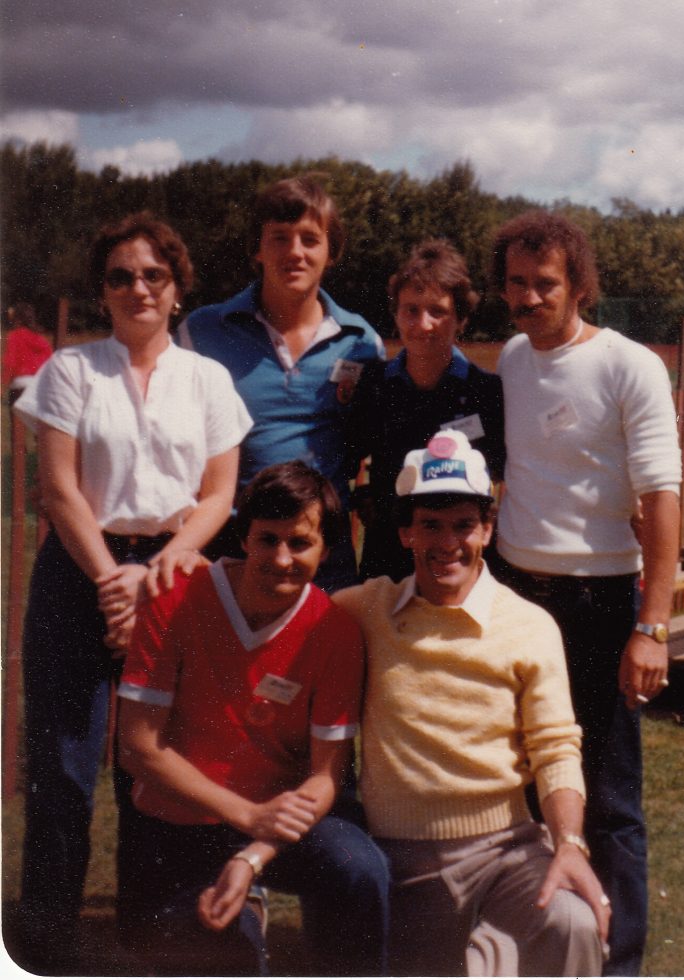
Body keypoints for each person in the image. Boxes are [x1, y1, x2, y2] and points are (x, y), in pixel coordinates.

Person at [11, 213, 251, 973]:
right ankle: (47, 939)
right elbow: (57, 488)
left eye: (154, 275)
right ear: (103, 290)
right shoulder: (70, 372)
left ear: (177, 289)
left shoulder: (209, 379)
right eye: (121, 276)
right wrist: (113, 580)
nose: (138, 288)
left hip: (176, 574)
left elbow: (218, 496)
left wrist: (158, 570)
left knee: (156, 764)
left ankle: (151, 932)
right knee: (64, 768)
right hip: (79, 571)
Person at [332, 430, 608, 976]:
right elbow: (284, 612)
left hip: (509, 849)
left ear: (487, 527)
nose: (447, 542)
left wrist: (570, 842)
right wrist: (217, 573)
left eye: (463, 524)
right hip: (404, 857)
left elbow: (555, 748)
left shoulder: (530, 626)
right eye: (430, 525)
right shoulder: (367, 609)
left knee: (573, 922)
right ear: (405, 531)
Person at [487, 210, 682, 975]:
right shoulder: (510, 359)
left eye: (545, 284)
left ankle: (620, 961)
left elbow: (661, 498)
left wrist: (653, 626)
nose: (529, 298)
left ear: (579, 286)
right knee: (531, 787)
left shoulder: (630, 365)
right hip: (514, 596)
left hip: (602, 605)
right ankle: (543, 946)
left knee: (610, 799)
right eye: (516, 284)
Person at [116, 461, 389, 976]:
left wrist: (253, 852)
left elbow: (326, 775)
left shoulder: (334, 631)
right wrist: (246, 815)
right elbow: (137, 745)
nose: (282, 559)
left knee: (359, 869)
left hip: (276, 830)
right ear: (243, 535)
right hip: (179, 821)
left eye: (300, 543)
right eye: (267, 539)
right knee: (226, 955)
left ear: (327, 549)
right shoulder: (174, 596)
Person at [179, 172, 385, 590]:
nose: (295, 252)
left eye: (310, 239)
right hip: (229, 552)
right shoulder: (201, 332)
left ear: (332, 251)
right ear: (257, 249)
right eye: (279, 237)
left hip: (326, 559)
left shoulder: (362, 342)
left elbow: (369, 443)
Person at [345, 239, 505, 582]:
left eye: (438, 311)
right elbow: (346, 457)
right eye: (411, 309)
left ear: (460, 318)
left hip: (459, 560)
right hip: (388, 558)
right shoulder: (373, 384)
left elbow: (504, 477)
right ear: (396, 313)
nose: (423, 323)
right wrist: (365, 497)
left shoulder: (486, 392)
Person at [2, 301, 53, 403]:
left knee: (18, 418)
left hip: (19, 385)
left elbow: (10, 362)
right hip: (39, 386)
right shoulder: (41, 339)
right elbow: (50, 363)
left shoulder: (14, 336)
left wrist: (2, 385)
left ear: (17, 318)